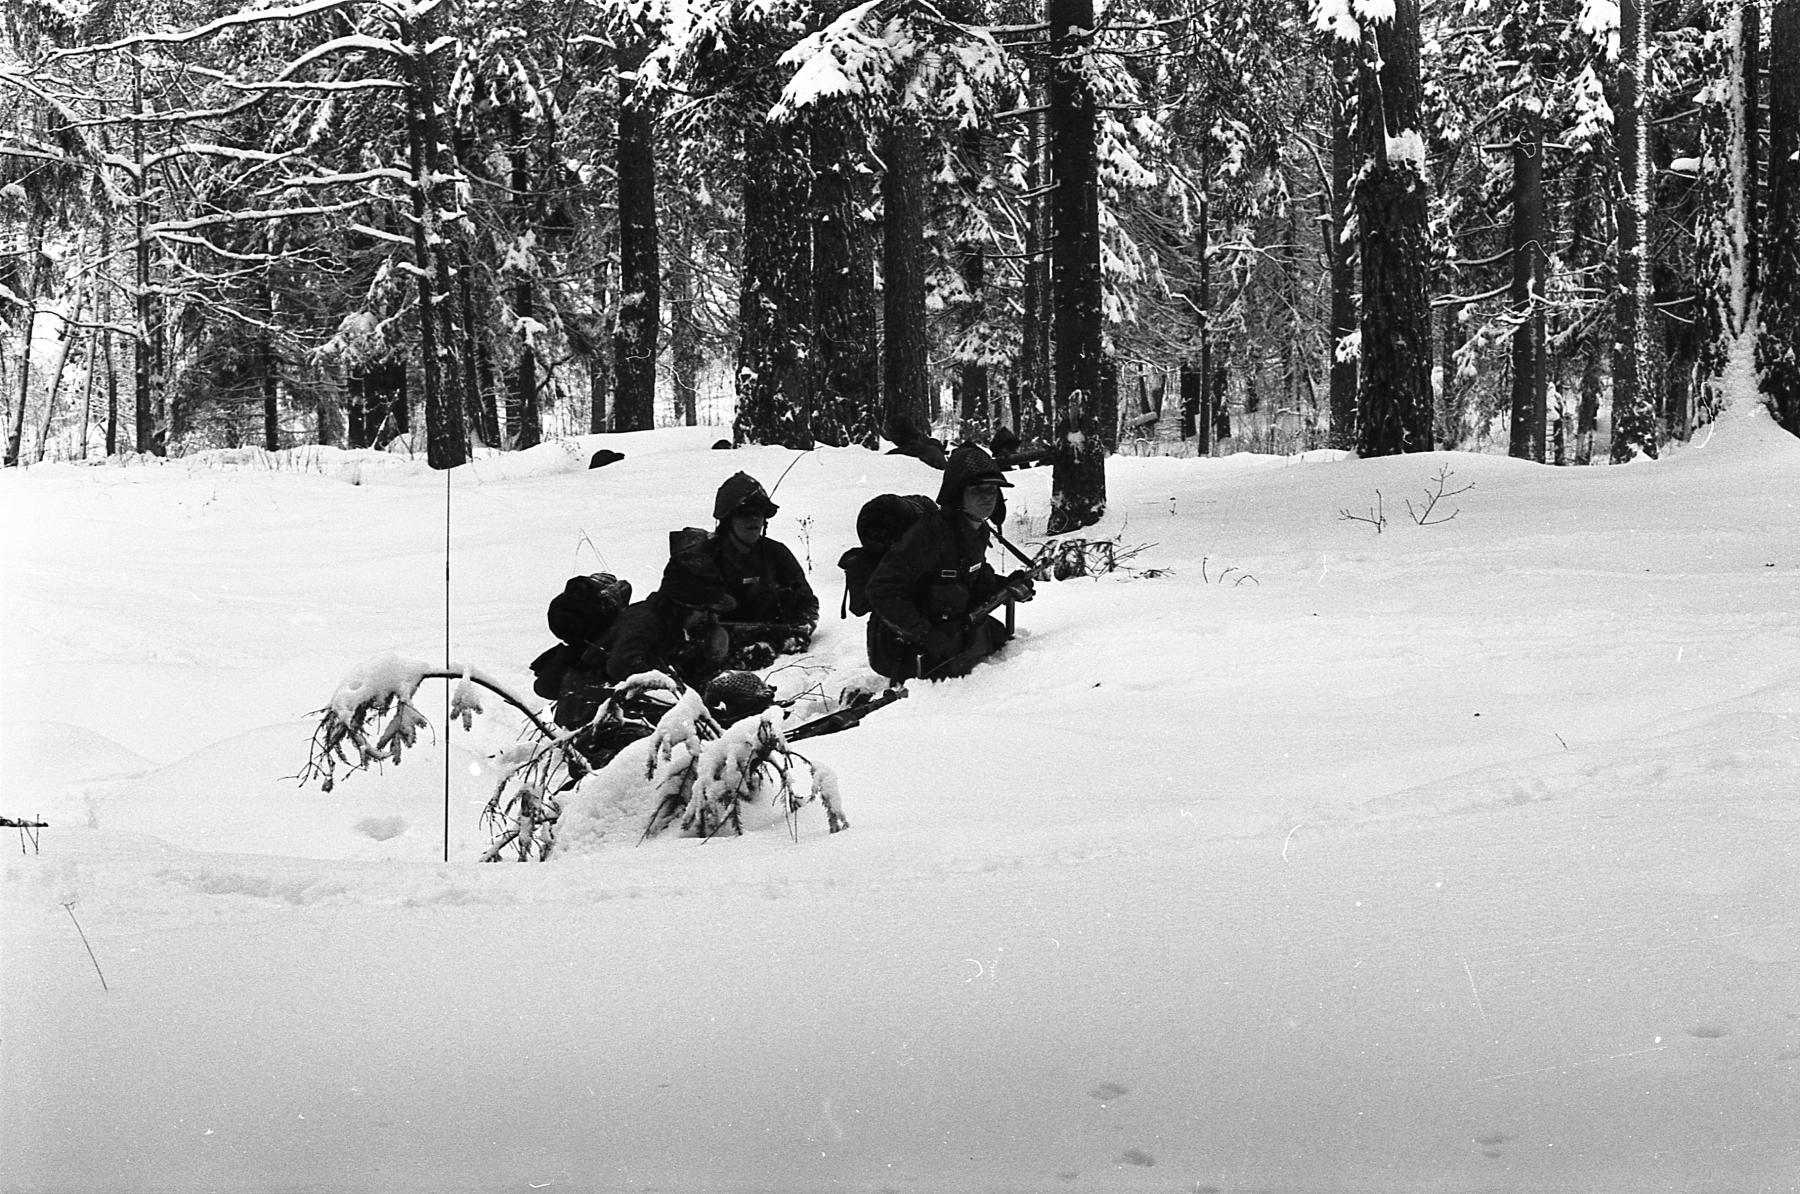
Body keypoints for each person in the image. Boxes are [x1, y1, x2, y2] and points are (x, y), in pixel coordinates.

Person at [865, 443, 1035, 682]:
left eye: (992, 490)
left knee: (1000, 645)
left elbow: (971, 580)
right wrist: (926, 633)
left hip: (950, 632)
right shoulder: (929, 534)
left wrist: (1006, 585)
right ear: (958, 493)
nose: (988, 497)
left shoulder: (977, 529)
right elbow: (880, 590)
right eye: (977, 490)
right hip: (904, 647)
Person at [704, 472, 820, 668]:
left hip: (778, 654)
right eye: (744, 513)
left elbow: (807, 603)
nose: (754, 520)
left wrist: (797, 633)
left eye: (758, 513)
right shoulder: (706, 558)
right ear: (728, 520)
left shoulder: (777, 553)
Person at [599, 531, 737, 689]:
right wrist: (675, 686)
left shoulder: (674, 625)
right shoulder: (643, 621)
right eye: (704, 609)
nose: (707, 617)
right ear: (682, 607)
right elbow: (621, 666)